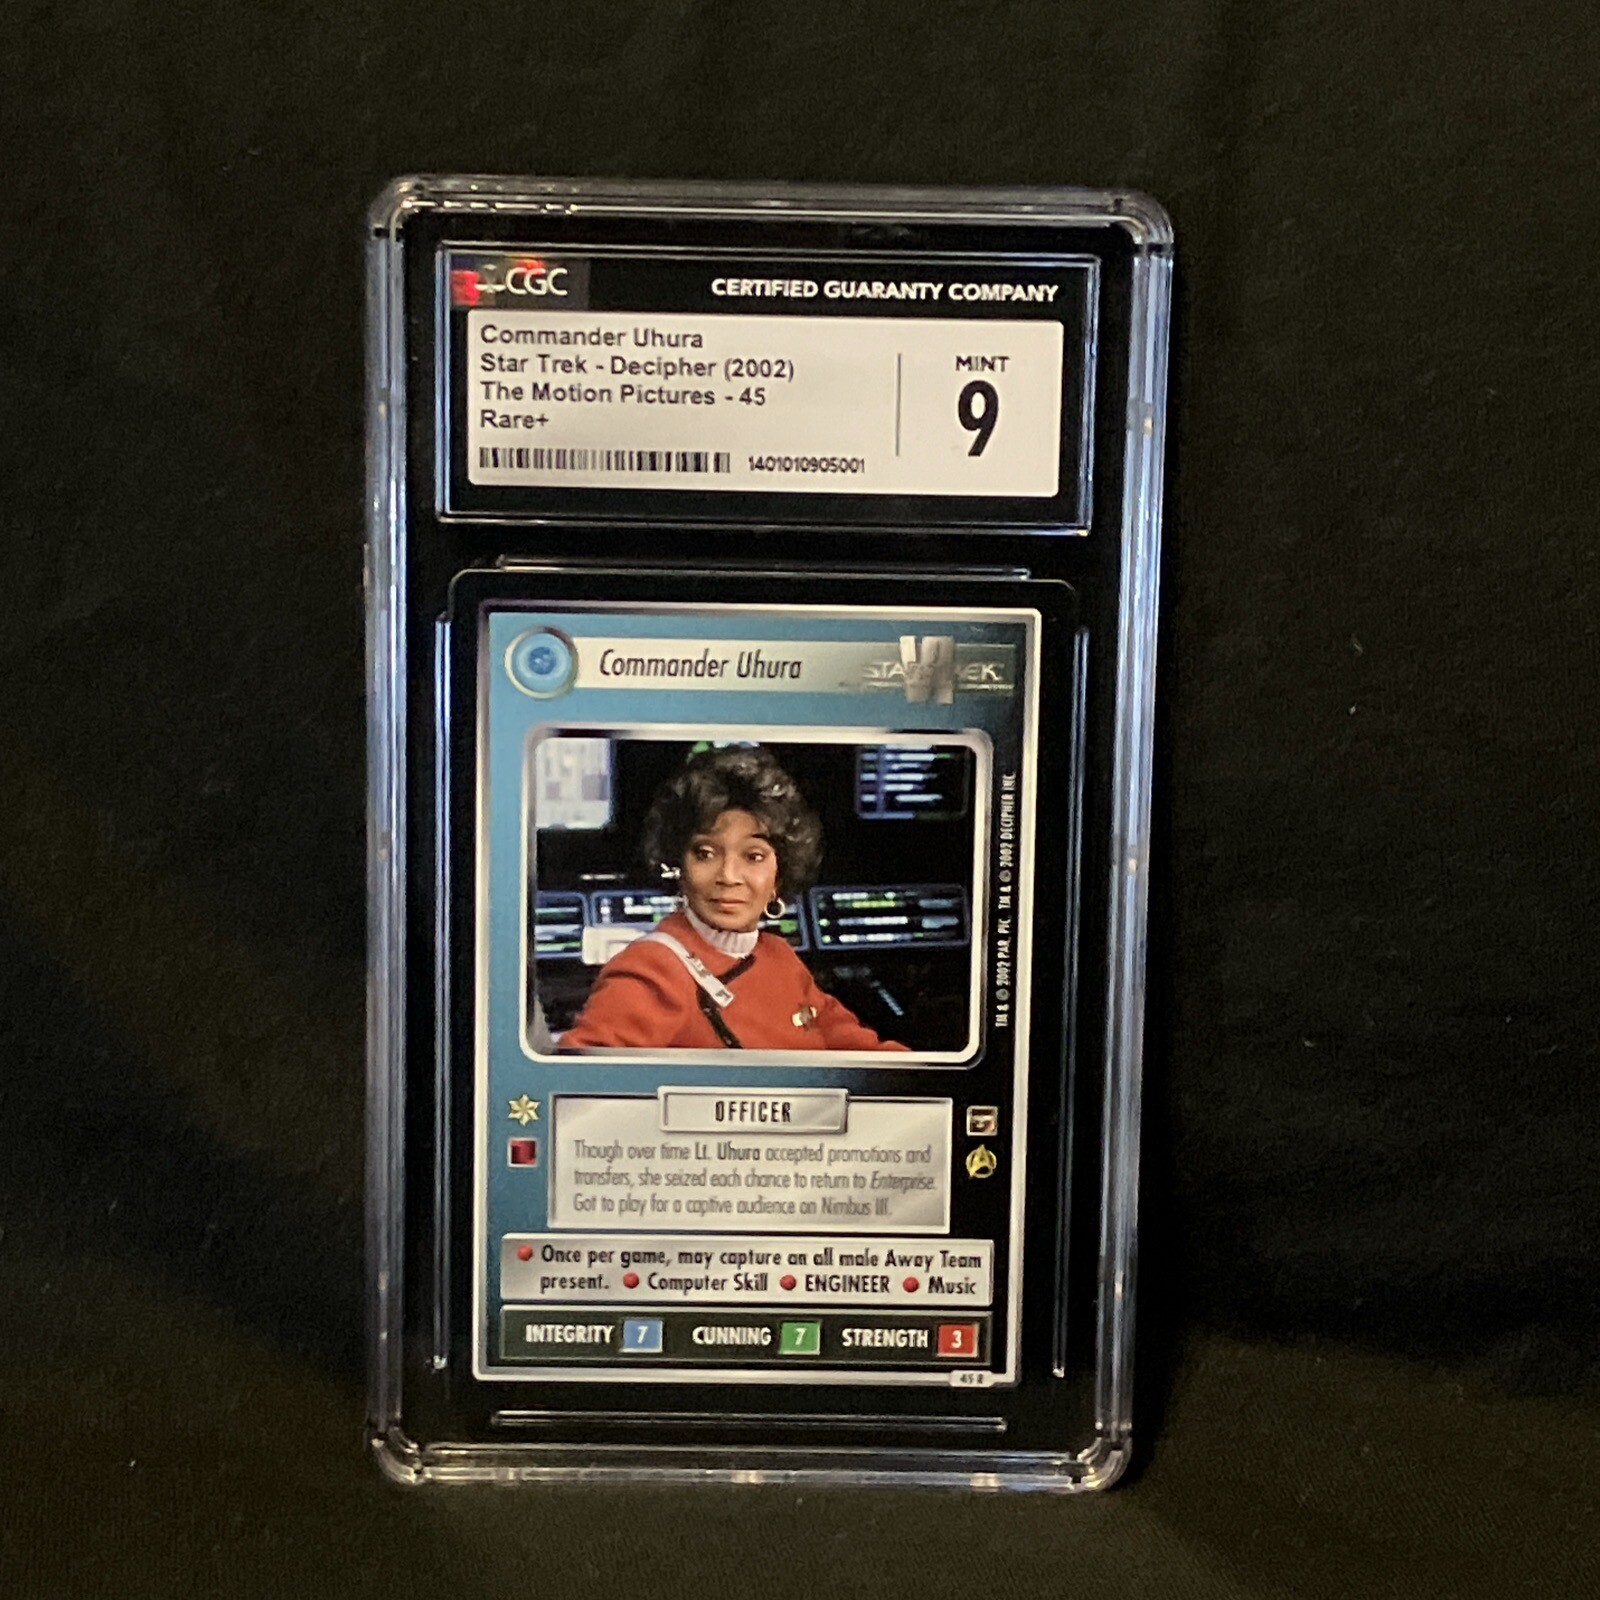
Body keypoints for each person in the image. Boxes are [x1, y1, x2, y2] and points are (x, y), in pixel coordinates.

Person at [559, 745, 907, 1051]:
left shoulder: (779, 957)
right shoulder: (652, 969)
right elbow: (581, 1081)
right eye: (705, 853)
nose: (728, 876)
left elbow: (861, 1051)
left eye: (753, 856)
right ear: (678, 865)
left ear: (779, 875)